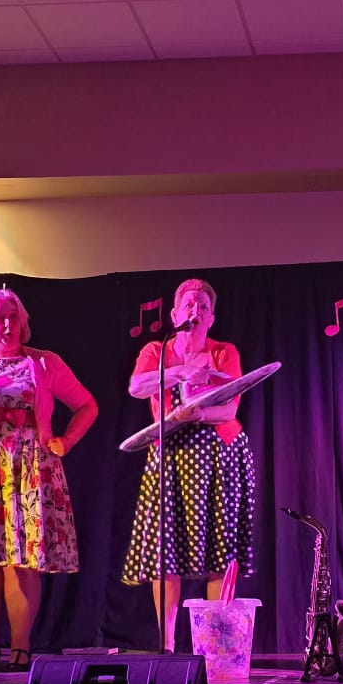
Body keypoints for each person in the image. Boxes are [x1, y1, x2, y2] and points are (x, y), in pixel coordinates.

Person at [0, 288, 97, 672]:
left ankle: (21, 647)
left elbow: (86, 405)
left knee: (22, 559)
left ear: (22, 322)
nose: (7, 325)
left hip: (29, 466)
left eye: (13, 317)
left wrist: (66, 441)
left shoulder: (44, 362)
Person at [121, 278, 258, 651]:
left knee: (219, 550)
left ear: (211, 318)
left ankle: (216, 647)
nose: (195, 311)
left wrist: (195, 414)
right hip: (170, 456)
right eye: (189, 305)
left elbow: (229, 407)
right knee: (165, 552)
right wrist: (180, 373)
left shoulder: (223, 352)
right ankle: (167, 645)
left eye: (203, 307)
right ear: (174, 314)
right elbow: (137, 387)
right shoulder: (157, 350)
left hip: (219, 454)